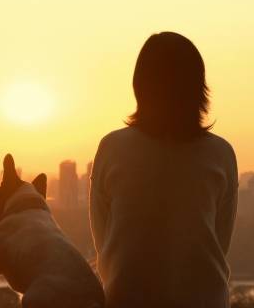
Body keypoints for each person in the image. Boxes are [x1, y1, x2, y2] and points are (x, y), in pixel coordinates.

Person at [89, 32, 239, 308]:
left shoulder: (112, 148)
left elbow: (104, 242)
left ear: (140, 86)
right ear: (199, 88)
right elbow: (220, 242)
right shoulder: (221, 154)